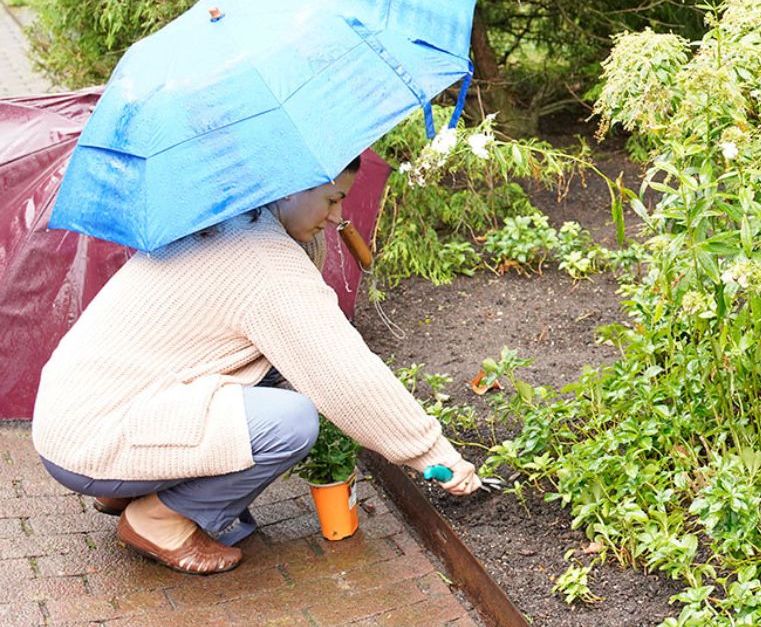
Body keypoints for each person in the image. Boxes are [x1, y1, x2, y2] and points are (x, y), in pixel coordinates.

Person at [32, 156, 480, 575]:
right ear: (288, 190)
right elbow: (344, 376)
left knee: (267, 370)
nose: (336, 217)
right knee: (291, 421)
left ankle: (126, 487)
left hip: (79, 414)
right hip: (94, 440)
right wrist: (430, 453)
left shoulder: (228, 216)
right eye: (331, 199)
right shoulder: (264, 264)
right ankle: (156, 519)